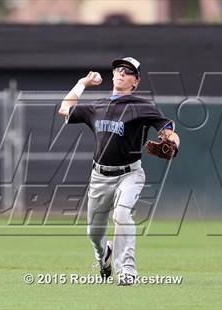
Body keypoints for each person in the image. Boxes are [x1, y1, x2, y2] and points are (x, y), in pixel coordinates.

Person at [58, 57, 180, 286]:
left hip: (130, 174)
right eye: (119, 69)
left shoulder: (142, 106)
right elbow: (64, 109)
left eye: (128, 71)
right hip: (99, 177)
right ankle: (103, 255)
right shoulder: (97, 106)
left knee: (122, 214)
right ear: (113, 75)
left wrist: (173, 142)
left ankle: (127, 271)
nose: (122, 73)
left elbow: (168, 130)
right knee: (94, 233)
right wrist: (82, 83)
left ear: (136, 81)